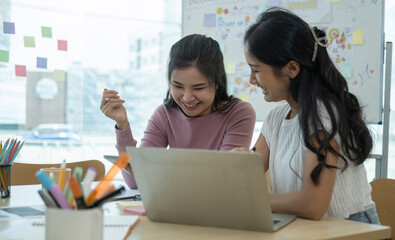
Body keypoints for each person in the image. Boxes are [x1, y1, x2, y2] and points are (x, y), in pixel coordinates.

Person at [233, 8, 380, 224]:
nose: (251, 80)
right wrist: (238, 164)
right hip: (305, 227)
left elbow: (313, 205)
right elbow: (252, 170)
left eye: (256, 70)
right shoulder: (277, 117)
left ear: (291, 68)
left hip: (349, 228)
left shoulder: (323, 117)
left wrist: (252, 199)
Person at [100, 34, 256, 189]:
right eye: (178, 86)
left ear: (217, 83)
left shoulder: (239, 113)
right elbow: (135, 182)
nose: (187, 98)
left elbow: (223, 179)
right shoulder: (164, 114)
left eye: (198, 88)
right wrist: (122, 125)